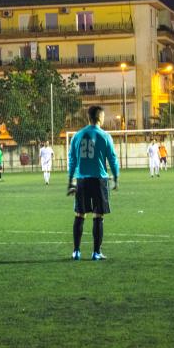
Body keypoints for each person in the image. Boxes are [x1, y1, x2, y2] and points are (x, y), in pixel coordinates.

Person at [67, 105, 119, 261]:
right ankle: (96, 253)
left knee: (79, 214)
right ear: (100, 117)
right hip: (99, 180)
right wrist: (116, 177)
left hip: (82, 179)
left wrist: (71, 180)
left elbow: (72, 160)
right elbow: (112, 159)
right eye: (103, 116)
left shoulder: (77, 136)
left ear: (88, 118)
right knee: (98, 215)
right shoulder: (104, 136)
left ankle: (76, 251)